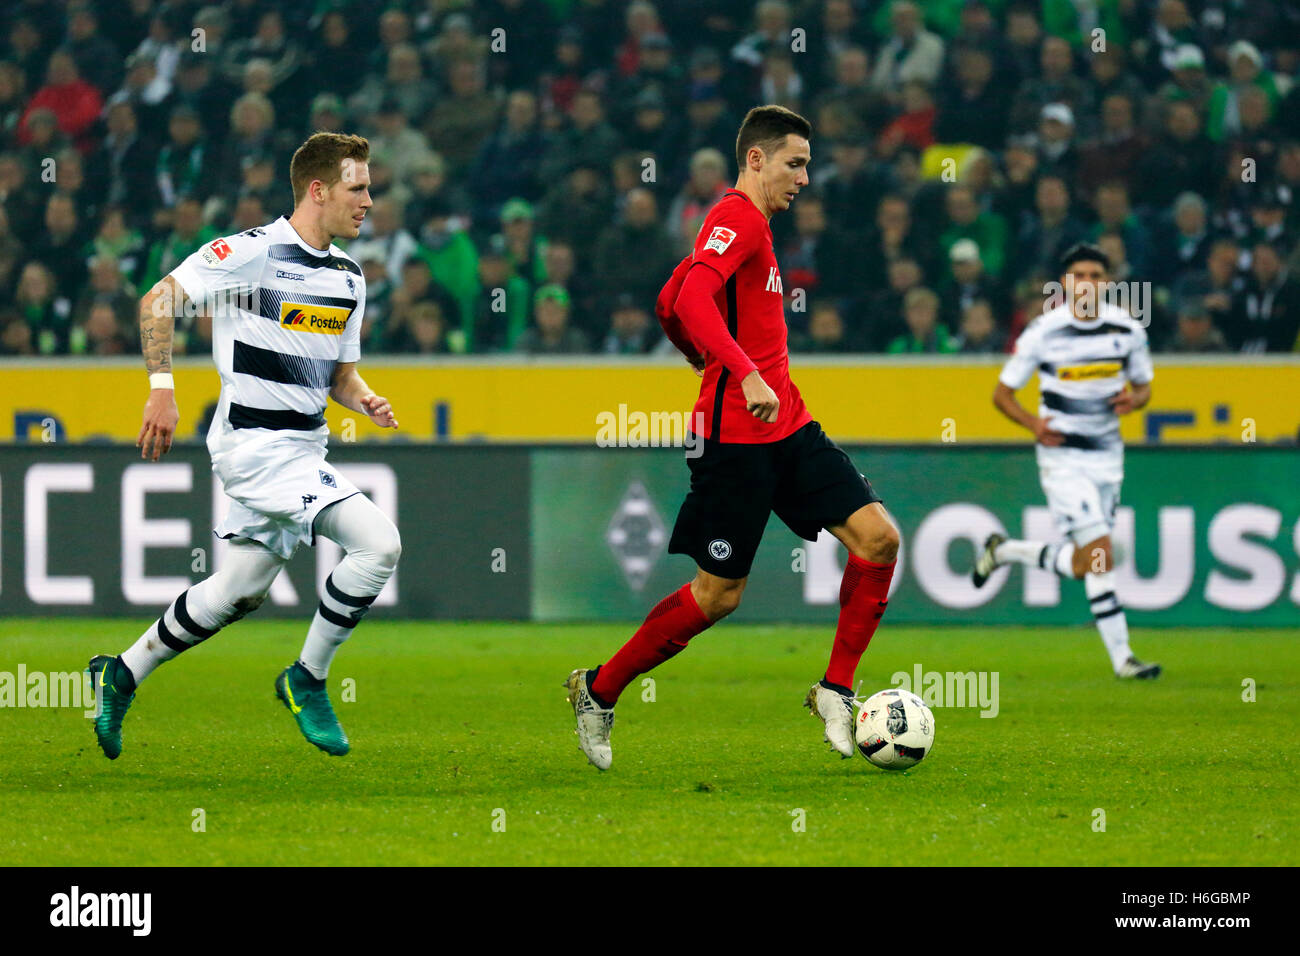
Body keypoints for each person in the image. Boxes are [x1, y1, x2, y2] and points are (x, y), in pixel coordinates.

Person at [565, 106, 899, 770]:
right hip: (732, 442)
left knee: (880, 538)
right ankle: (599, 690)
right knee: (718, 595)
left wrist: (699, 351)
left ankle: (835, 688)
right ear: (755, 160)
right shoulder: (737, 217)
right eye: (794, 163)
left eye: (808, 164)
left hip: (790, 428)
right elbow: (688, 299)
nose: (804, 177)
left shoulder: (753, 229)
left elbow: (671, 298)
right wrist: (738, 370)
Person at [88, 132, 402, 760]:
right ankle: (307, 678)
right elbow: (158, 301)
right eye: (358, 188)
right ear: (318, 190)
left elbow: (338, 376)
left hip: (304, 449)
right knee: (379, 545)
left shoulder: (348, 277)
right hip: (254, 448)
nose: (369, 201)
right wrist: (161, 388)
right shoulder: (252, 255)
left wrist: (363, 397)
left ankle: (120, 672)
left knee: (237, 591)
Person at [971, 243, 1161, 680]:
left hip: (1108, 458)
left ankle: (1005, 551)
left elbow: (1144, 386)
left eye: (1096, 275)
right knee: (1101, 553)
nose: (1088, 283)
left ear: (1108, 283)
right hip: (1063, 459)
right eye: (1079, 275)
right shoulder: (1043, 331)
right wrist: (1034, 425)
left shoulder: (1127, 330)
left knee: (1086, 563)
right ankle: (1124, 659)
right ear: (1065, 284)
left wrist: (1135, 399)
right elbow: (1002, 395)